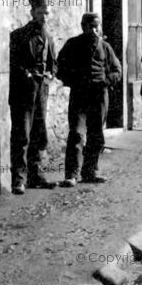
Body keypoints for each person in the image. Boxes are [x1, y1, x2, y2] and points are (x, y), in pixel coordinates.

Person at [57, 13, 121, 187]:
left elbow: (117, 70)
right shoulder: (72, 45)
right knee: (76, 133)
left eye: (96, 26)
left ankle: (90, 172)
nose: (93, 30)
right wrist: (73, 81)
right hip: (79, 95)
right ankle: (71, 174)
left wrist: (106, 81)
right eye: (89, 26)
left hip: (99, 96)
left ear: (100, 27)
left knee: (96, 134)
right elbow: (59, 67)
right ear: (83, 27)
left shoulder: (105, 47)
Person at [9, 0, 57, 195]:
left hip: (41, 91)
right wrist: (26, 74)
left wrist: (50, 75)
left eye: (46, 13)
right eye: (39, 13)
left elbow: (54, 62)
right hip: (24, 91)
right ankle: (19, 179)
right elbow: (12, 62)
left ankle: (36, 176)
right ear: (32, 13)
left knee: (39, 133)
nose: (43, 17)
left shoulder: (49, 36)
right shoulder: (19, 35)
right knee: (22, 135)